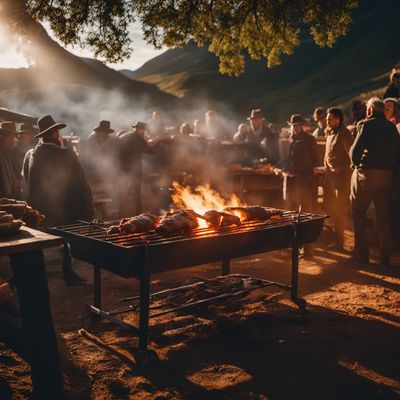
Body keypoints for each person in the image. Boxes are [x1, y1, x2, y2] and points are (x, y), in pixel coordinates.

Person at [23, 114, 94, 284]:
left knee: (44, 243)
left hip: (39, 208)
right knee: (66, 239)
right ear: (55, 134)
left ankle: (35, 277)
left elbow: (26, 179)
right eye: (58, 132)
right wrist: (86, 210)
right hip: (62, 207)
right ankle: (67, 272)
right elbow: (80, 185)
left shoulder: (31, 154)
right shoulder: (66, 155)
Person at [349, 97, 400, 267]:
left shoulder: (365, 124)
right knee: (383, 219)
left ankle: (362, 255)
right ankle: (385, 257)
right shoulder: (392, 127)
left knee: (358, 214)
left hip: (366, 176)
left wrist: (355, 164)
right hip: (386, 177)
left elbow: (355, 151)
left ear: (370, 111)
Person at [324, 108, 354, 250]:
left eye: (329, 119)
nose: (327, 121)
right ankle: (337, 241)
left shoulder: (344, 134)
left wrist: (340, 170)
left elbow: (352, 157)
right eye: (327, 119)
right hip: (331, 180)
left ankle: (340, 243)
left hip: (342, 180)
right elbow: (328, 155)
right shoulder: (330, 132)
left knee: (340, 211)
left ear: (338, 119)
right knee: (334, 210)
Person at [117, 121, 155, 216]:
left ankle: (121, 214)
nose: (143, 131)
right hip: (134, 171)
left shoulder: (124, 137)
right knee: (136, 195)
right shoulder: (139, 139)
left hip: (124, 170)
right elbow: (150, 151)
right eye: (142, 129)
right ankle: (138, 215)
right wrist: (156, 142)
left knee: (124, 193)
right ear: (139, 129)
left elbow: (118, 153)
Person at [0, 122, 21, 199]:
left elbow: (11, 175)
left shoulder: (8, 153)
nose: (13, 142)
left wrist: (17, 183)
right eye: (11, 139)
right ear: (4, 138)